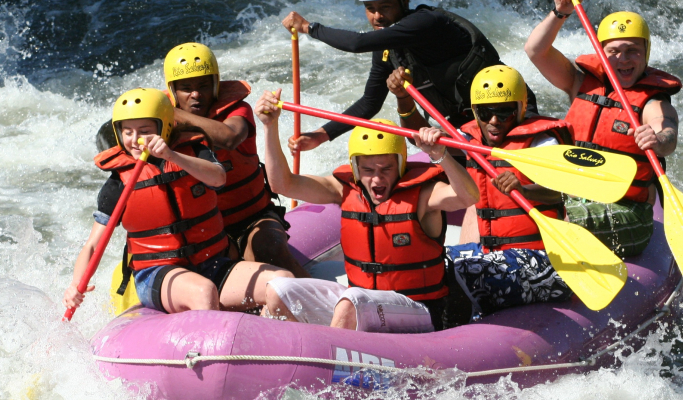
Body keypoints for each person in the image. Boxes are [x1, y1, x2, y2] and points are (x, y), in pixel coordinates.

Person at [255, 89, 479, 332]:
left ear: (400, 165)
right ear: (355, 168)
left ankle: (331, 354)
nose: (377, 179)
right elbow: (282, 184)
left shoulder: (425, 195)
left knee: (352, 302)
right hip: (363, 301)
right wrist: (270, 126)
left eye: (386, 169)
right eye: (368, 170)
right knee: (279, 290)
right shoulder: (342, 190)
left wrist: (440, 155)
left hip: (420, 308)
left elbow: (469, 196)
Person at [63, 88, 293, 315]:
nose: (135, 140)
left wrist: (171, 155)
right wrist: (75, 285)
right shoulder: (117, 183)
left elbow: (218, 178)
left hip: (212, 263)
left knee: (282, 283)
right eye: (127, 132)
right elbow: (93, 245)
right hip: (157, 273)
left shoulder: (194, 152)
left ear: (165, 128)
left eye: (144, 131)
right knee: (204, 292)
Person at [280, 0, 540, 155]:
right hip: (466, 126)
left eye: (385, 6)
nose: (377, 16)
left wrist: (309, 28)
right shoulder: (388, 48)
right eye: (370, 8)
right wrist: (320, 135)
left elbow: (358, 43)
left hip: (507, 115)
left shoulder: (426, 22)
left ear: (403, 3)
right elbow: (369, 103)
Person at [525, 5, 681, 257]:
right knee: (510, 203)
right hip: (573, 196)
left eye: (632, 50)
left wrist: (657, 139)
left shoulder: (653, 102)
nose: (623, 59)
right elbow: (535, 51)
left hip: (627, 211)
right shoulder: (579, 84)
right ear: (601, 53)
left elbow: (667, 132)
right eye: (613, 51)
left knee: (566, 220)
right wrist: (560, 12)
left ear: (646, 53)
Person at [162, 42, 310, 278]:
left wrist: (173, 113)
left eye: (203, 86)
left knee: (268, 249)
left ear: (215, 85)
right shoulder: (161, 126)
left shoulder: (238, 110)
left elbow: (230, 138)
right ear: (173, 92)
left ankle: (318, 298)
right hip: (204, 230)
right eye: (186, 88)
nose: (196, 94)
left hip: (252, 220)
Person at [446, 66, 574, 321]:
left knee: (467, 271)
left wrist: (524, 189)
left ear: (521, 109)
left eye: (504, 112)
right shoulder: (469, 139)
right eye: (485, 112)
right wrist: (406, 105)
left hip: (545, 261)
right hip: (492, 255)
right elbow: (421, 137)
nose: (494, 120)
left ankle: (460, 329)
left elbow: (563, 192)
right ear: (475, 112)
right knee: (436, 265)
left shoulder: (543, 143)